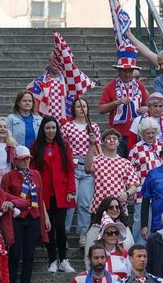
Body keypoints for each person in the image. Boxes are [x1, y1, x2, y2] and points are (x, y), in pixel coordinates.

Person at [30, 115, 76, 272]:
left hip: (62, 191)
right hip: (45, 193)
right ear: (43, 129)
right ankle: (52, 261)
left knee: (60, 226)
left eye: (53, 128)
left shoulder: (64, 145)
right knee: (48, 227)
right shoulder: (35, 146)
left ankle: (63, 259)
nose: (51, 131)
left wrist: (71, 190)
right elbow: (33, 171)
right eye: (48, 128)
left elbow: (70, 169)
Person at [1, 146, 46, 283]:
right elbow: (3, 196)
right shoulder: (8, 176)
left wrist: (44, 216)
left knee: (29, 253)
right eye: (22, 159)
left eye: (28, 159)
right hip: (16, 217)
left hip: (34, 216)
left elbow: (40, 197)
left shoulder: (36, 174)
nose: (26, 161)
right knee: (14, 253)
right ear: (15, 161)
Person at [59, 97, 102, 243]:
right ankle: (64, 232)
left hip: (88, 167)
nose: (82, 109)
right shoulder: (67, 127)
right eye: (78, 106)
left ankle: (83, 233)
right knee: (71, 201)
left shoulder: (93, 126)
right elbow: (62, 148)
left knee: (85, 201)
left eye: (84, 106)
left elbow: (98, 149)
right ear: (73, 109)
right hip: (72, 166)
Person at [98, 45, 148, 153]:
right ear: (119, 70)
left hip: (136, 133)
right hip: (117, 134)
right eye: (124, 70)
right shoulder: (110, 86)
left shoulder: (140, 85)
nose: (127, 74)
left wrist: (145, 108)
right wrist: (117, 102)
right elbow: (101, 109)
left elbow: (148, 104)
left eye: (130, 71)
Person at [84, 129, 139, 214]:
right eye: (109, 138)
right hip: (99, 207)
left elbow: (134, 185)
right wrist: (91, 145)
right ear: (103, 142)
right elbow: (87, 168)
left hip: (119, 208)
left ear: (118, 143)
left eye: (114, 138)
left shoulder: (125, 163)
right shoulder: (96, 160)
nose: (112, 140)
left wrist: (126, 194)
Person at [127, 117, 163, 245]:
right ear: (142, 133)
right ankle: (139, 249)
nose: (150, 135)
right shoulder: (136, 148)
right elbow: (129, 170)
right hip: (142, 191)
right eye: (147, 133)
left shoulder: (162, 147)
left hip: (161, 191)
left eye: (153, 132)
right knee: (141, 222)